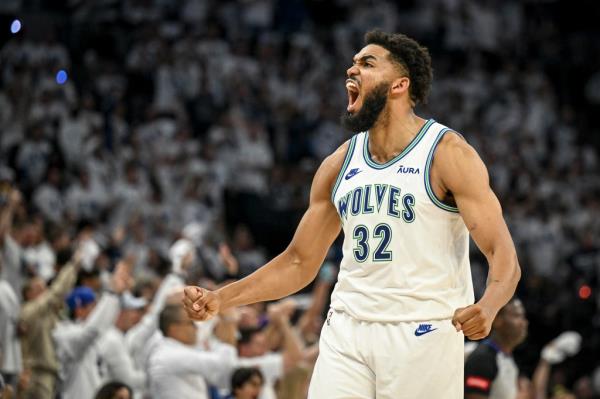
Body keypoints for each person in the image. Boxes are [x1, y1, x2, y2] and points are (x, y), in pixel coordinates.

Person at [183, 30, 521, 398]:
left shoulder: (446, 153)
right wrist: (221, 299)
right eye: (353, 62)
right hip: (347, 328)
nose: (351, 69)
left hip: (423, 331)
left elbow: (501, 252)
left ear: (399, 85)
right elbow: (298, 262)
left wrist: (489, 305)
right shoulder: (339, 163)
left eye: (367, 63)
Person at [18, 249, 80, 399]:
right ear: (28, 294)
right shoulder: (28, 310)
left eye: (43, 288)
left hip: (48, 373)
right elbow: (56, 292)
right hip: (32, 372)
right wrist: (72, 266)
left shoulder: (48, 313)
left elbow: (59, 295)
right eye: (38, 288)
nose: (44, 292)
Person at [146, 304, 237, 399]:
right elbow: (225, 368)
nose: (196, 328)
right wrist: (229, 323)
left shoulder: (169, 350)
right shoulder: (172, 355)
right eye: (191, 323)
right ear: (174, 329)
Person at [464, 298, 528, 399]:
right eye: (516, 316)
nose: (523, 323)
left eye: (523, 317)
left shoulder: (507, 358)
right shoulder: (483, 358)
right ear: (497, 320)